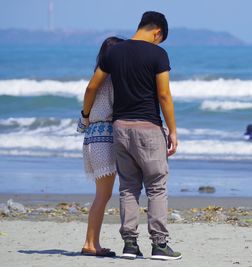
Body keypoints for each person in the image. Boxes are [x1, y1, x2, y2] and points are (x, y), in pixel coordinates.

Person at [81, 11, 181, 260]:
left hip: (120, 128)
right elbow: (164, 95)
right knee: (156, 186)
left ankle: (130, 245)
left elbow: (93, 86)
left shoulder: (113, 52)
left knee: (128, 187)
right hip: (148, 127)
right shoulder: (158, 54)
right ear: (157, 31)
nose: (158, 43)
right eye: (160, 38)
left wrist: (85, 114)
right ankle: (159, 245)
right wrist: (174, 131)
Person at [78, 36, 124, 257]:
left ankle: (92, 242)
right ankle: (90, 243)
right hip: (105, 137)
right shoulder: (114, 79)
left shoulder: (98, 77)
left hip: (91, 136)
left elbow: (88, 92)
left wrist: (84, 116)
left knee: (101, 195)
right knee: (102, 196)